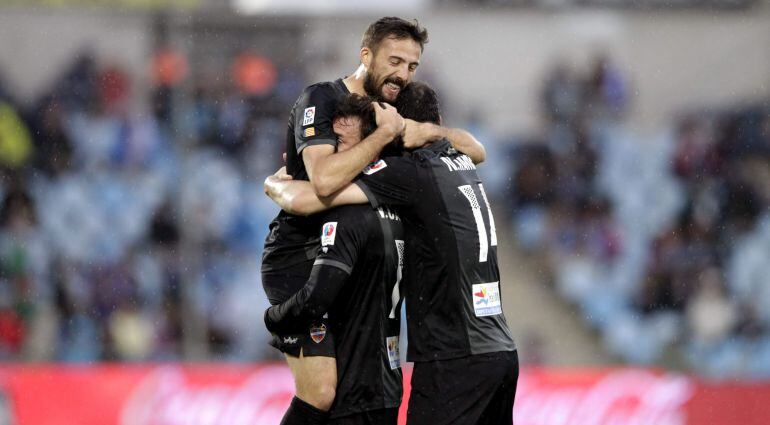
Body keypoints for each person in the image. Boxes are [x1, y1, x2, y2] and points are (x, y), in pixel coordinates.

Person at [260, 17, 486, 425]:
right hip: (303, 256)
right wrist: (383, 137)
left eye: (412, 66)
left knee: (360, 391)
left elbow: (476, 150)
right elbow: (323, 180)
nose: (403, 74)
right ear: (366, 55)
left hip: (360, 259)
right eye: (394, 61)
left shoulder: (394, 110)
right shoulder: (322, 99)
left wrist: (422, 130)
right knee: (322, 392)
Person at [265, 94, 405, 424]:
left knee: (319, 395)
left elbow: (316, 296)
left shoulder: (351, 211)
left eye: (341, 143)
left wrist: (274, 318)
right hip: (386, 382)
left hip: (360, 387)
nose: (330, 153)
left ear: (368, 150)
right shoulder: (391, 206)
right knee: (319, 395)